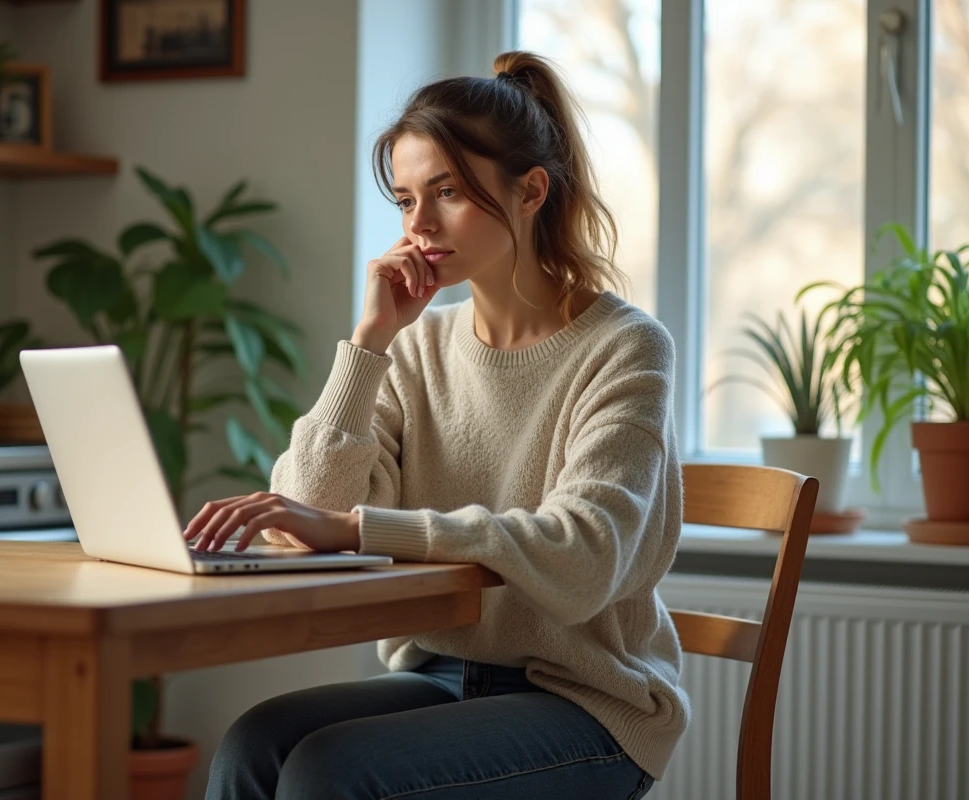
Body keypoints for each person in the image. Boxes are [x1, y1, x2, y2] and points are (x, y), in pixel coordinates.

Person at [185, 50, 687, 800]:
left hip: (587, 703)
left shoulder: (626, 347)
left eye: (446, 192)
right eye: (404, 199)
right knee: (253, 744)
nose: (418, 225)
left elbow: (584, 560)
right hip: (440, 674)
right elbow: (305, 517)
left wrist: (362, 529)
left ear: (531, 191)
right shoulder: (416, 345)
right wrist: (368, 345)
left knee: (328, 773)